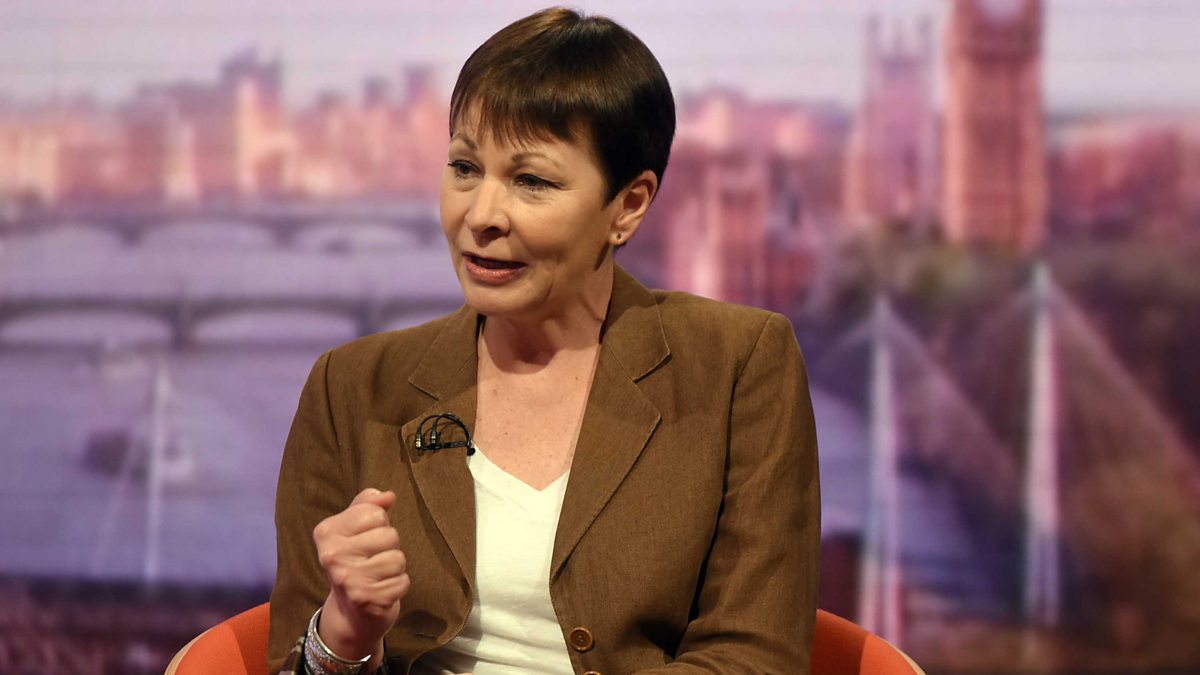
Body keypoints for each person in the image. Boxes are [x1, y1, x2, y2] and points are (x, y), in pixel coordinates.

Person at [268, 7, 819, 674]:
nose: (481, 215)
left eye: (532, 181)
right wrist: (343, 637)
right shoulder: (352, 387)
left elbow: (754, 656)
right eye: (464, 167)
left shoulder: (738, 366)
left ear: (628, 205)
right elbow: (289, 659)